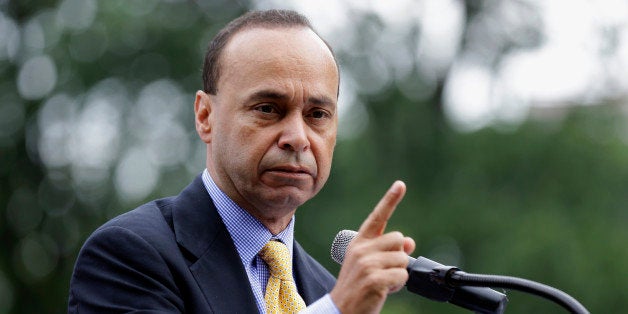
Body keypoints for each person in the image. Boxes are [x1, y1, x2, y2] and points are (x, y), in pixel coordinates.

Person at [68, 9, 415, 314]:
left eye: (317, 114)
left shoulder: (325, 289)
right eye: (267, 109)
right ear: (205, 116)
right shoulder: (129, 256)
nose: (297, 136)